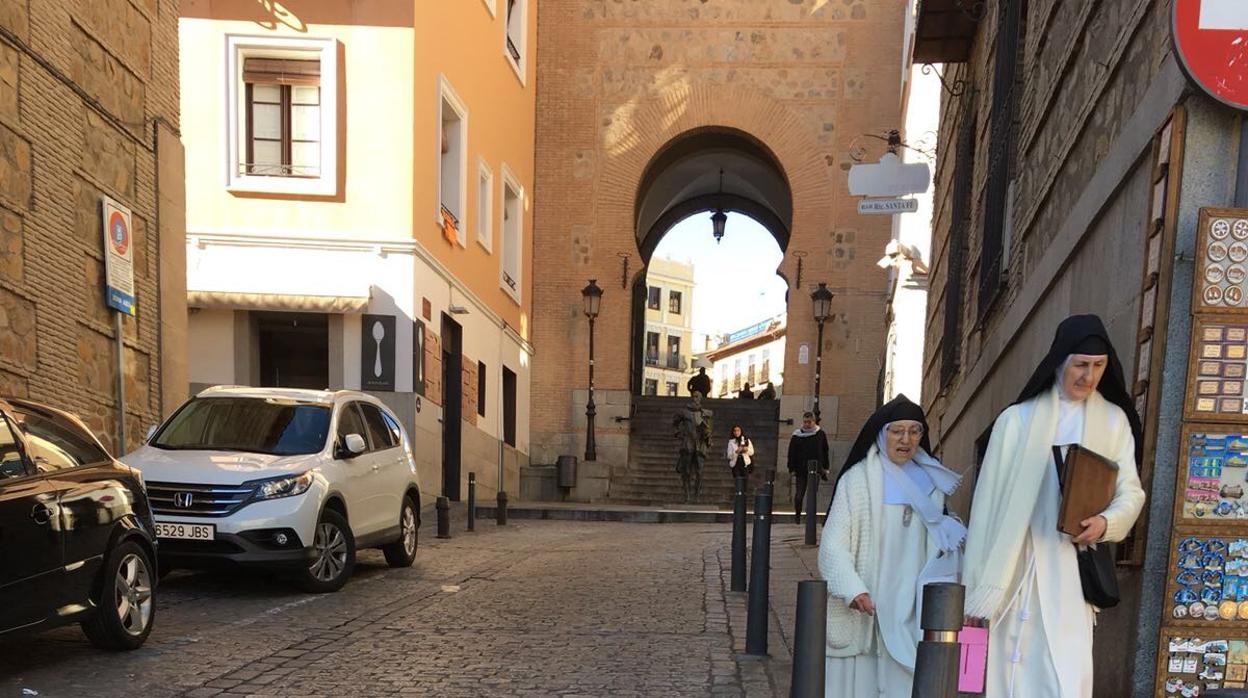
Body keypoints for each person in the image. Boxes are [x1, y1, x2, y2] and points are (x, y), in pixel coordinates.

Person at [962, 314, 1146, 698]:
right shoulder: (1016, 420)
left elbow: (1131, 492)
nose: (1089, 376)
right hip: (1014, 567)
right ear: (1061, 361)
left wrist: (1106, 522)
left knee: (1063, 672)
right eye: (1081, 365)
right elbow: (986, 506)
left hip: (1068, 570)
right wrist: (975, 582)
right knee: (1008, 671)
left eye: (1098, 367)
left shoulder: (1113, 422)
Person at [819, 394, 966, 696]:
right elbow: (833, 545)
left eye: (914, 431)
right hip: (868, 601)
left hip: (910, 605)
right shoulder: (857, 480)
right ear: (881, 433)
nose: (906, 440)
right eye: (897, 431)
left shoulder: (932, 484)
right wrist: (852, 587)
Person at [787, 411, 829, 524]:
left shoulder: (820, 434)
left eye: (809, 422)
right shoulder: (797, 435)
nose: (806, 424)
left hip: (815, 469)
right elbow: (791, 452)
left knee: (812, 495)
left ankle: (809, 517)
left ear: (814, 422)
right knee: (799, 495)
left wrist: (825, 467)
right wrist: (791, 468)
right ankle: (797, 515)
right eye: (805, 422)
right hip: (801, 469)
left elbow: (825, 451)